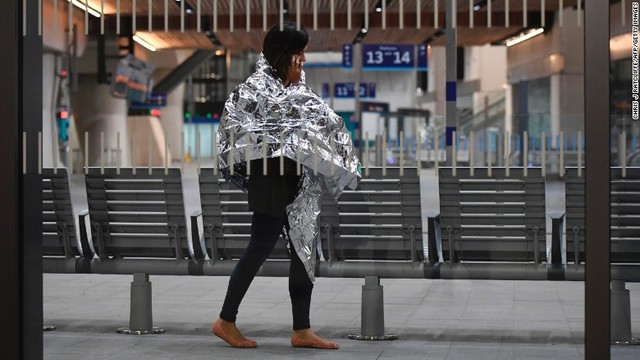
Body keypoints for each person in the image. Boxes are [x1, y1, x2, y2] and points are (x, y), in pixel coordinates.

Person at [212, 21, 340, 350]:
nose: (304, 60)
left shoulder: (289, 89)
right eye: (299, 54)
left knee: (302, 254)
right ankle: (226, 320)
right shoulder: (257, 89)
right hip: (271, 181)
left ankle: (301, 329)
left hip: (294, 181)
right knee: (258, 249)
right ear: (284, 55)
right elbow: (234, 135)